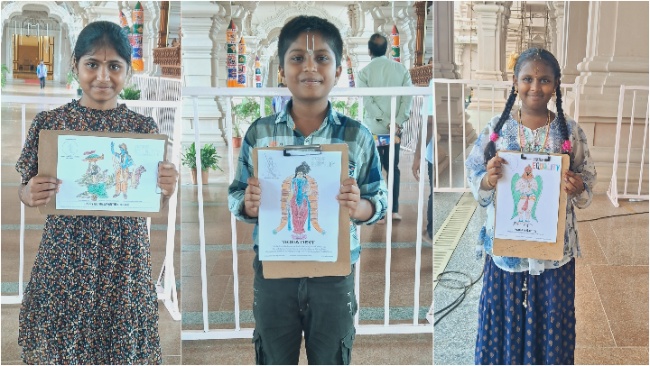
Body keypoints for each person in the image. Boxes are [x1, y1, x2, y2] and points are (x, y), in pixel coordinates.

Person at [15, 21, 178, 364]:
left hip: (124, 254)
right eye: (93, 64)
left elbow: (153, 198)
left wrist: (166, 188)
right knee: (67, 336)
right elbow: (27, 185)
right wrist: (27, 192)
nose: (103, 77)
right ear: (75, 66)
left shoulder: (142, 130)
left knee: (118, 338)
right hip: (67, 250)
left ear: (128, 72)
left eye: (114, 66)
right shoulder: (51, 124)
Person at [228, 15, 387, 365]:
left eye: (322, 58)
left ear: (339, 70)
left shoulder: (356, 136)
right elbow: (237, 193)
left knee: (331, 354)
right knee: (273, 353)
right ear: (281, 70)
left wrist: (359, 206)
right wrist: (250, 205)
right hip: (274, 272)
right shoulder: (260, 134)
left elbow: (379, 198)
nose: (309, 67)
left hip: (333, 273)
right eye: (297, 57)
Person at [465, 48, 596, 365]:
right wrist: (488, 179)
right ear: (514, 83)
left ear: (556, 85)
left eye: (544, 79)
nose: (535, 87)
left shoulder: (570, 132)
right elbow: (474, 171)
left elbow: (587, 181)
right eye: (527, 79)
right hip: (508, 246)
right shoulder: (497, 130)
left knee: (551, 313)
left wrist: (577, 187)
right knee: (506, 313)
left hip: (554, 251)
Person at [357, 33, 413, 222]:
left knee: (374, 169)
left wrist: (385, 120)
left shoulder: (363, 73)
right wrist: (396, 121)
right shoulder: (401, 70)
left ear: (369, 50)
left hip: (373, 130)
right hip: (394, 131)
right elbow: (407, 99)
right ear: (387, 49)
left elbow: (368, 103)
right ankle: (394, 209)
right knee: (393, 168)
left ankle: (377, 210)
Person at [412, 78, 433, 245]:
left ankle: (432, 234)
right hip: (445, 149)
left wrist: (418, 155)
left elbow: (429, 122)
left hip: (435, 150)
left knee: (434, 192)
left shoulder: (434, 83)